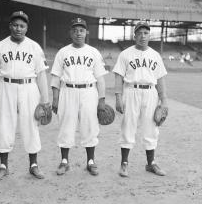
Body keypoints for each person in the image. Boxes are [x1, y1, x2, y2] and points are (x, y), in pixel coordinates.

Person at [0, 11, 49, 181]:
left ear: (27, 28)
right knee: (4, 125)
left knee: (31, 125)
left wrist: (45, 101)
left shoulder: (35, 47)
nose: (18, 28)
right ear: (10, 26)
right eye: (15, 25)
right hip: (5, 87)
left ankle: (34, 165)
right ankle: (3, 166)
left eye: (22, 26)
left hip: (29, 87)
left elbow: (42, 75)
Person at [50, 18, 108, 176]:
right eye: (75, 30)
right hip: (67, 91)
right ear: (70, 33)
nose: (78, 33)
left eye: (81, 30)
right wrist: (55, 99)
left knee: (90, 126)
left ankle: (90, 161)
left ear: (86, 32)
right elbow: (55, 78)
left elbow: (100, 79)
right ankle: (64, 161)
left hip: (89, 92)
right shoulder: (63, 52)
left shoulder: (93, 52)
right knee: (65, 126)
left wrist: (101, 99)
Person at [113, 22, 168, 177]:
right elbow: (118, 77)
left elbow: (161, 79)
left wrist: (164, 100)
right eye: (140, 33)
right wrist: (118, 97)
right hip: (131, 91)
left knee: (151, 128)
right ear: (134, 35)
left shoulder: (155, 55)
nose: (142, 36)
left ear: (149, 35)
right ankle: (124, 164)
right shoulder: (125, 54)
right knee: (128, 126)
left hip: (151, 93)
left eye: (146, 33)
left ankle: (151, 164)